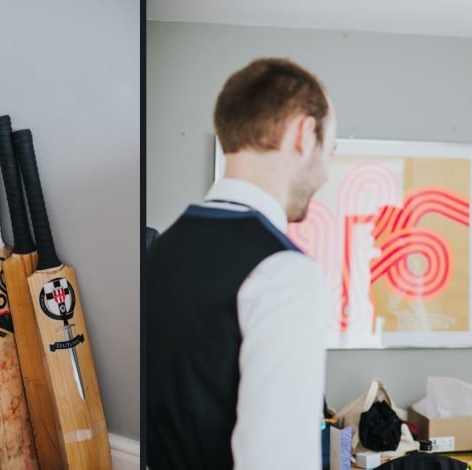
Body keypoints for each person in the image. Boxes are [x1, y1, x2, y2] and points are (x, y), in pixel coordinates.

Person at [146, 58, 336, 469]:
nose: (327, 170)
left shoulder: (161, 249)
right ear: (304, 134)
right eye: (330, 149)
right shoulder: (284, 273)